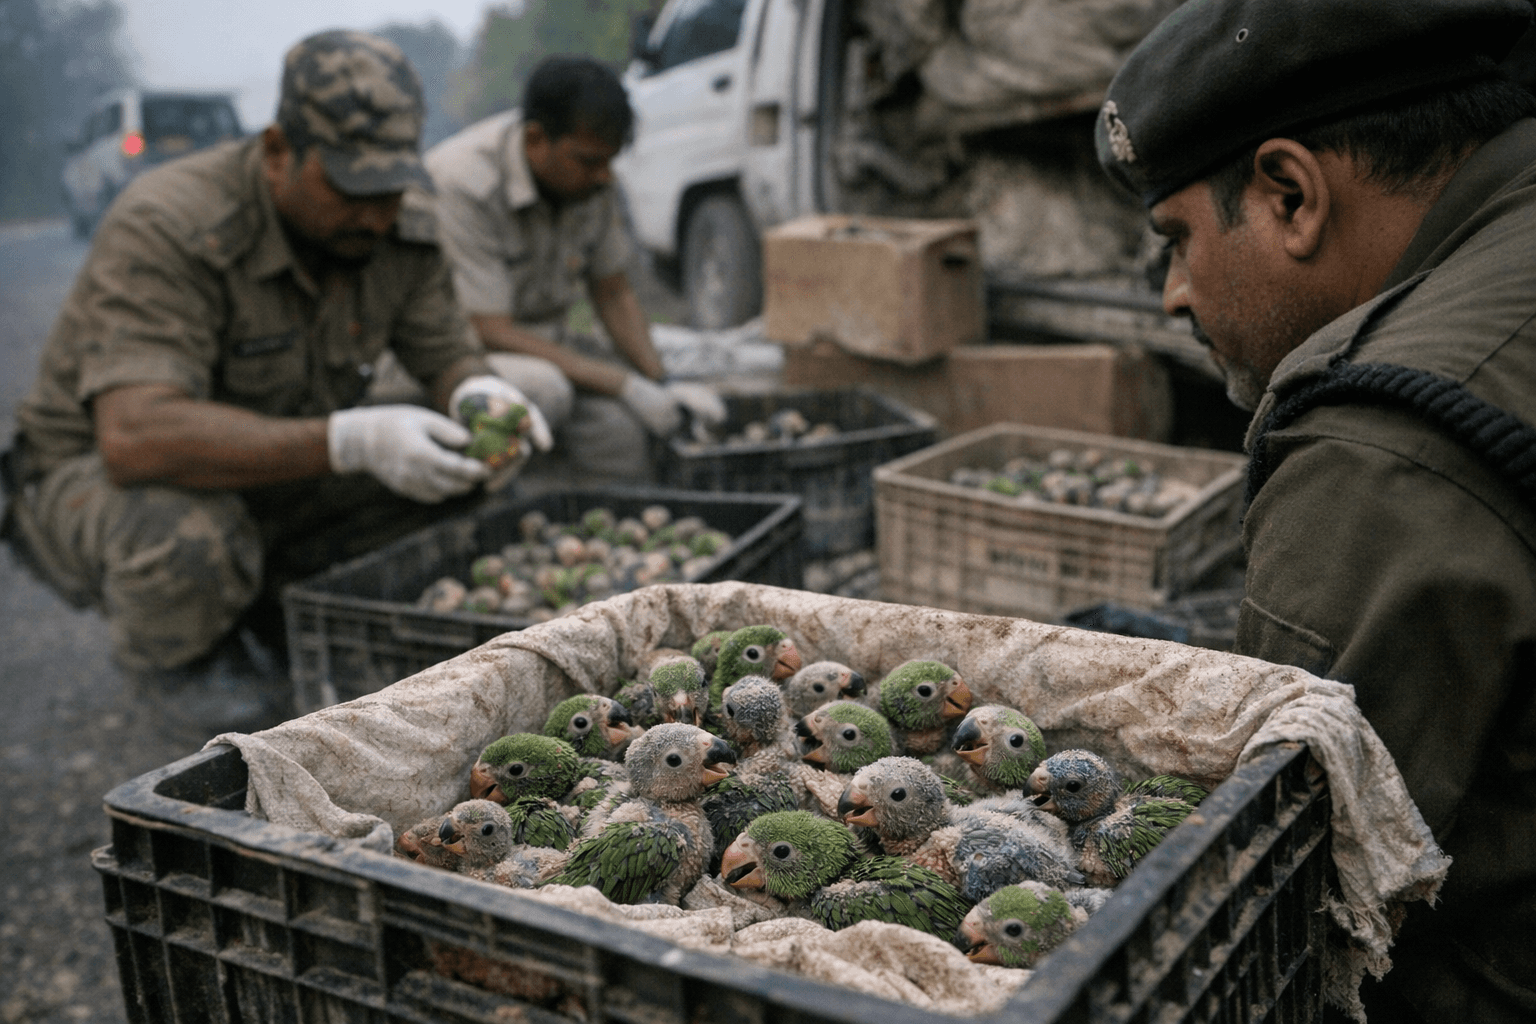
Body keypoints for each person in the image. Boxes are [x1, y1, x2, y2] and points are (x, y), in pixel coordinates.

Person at [1095, 0, 1536, 1019]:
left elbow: (1288, 911)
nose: (1171, 294)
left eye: (1176, 239)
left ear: (1290, 193)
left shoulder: (1378, 447)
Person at [0, 30, 551, 734]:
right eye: (352, 187)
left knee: (458, 465)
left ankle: (276, 609)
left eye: (390, 188)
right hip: (99, 479)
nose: (375, 214)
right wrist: (352, 440)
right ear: (277, 152)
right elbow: (134, 437)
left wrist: (478, 393)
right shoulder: (171, 223)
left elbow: (445, 353)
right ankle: (190, 681)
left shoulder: (399, 229)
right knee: (191, 538)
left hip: (276, 457)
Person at [422, 55, 723, 485]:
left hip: (547, 350)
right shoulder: (463, 184)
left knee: (619, 436)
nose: (603, 176)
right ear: (535, 139)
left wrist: (661, 381)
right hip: (459, 359)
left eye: (610, 162)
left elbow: (613, 292)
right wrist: (623, 383)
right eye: (588, 161)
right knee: (546, 391)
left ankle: (603, 533)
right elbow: (489, 328)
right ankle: (492, 507)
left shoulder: (590, 183)